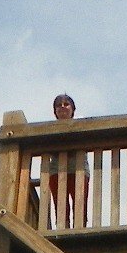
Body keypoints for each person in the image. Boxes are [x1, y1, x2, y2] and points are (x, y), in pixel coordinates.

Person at [40, 92, 88, 228]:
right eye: (59, 105)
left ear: (72, 109)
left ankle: (80, 227)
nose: (62, 107)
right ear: (55, 111)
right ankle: (63, 227)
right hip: (56, 170)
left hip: (78, 169)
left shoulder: (81, 125)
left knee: (80, 203)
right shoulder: (49, 129)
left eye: (66, 104)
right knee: (60, 203)